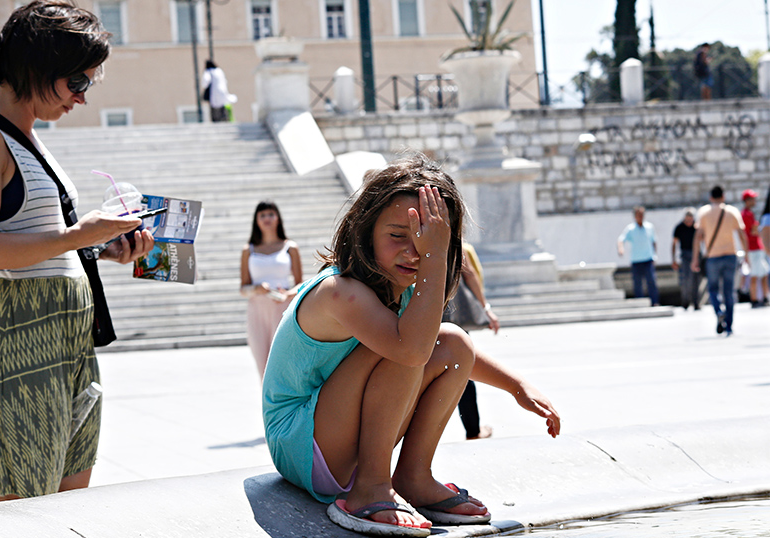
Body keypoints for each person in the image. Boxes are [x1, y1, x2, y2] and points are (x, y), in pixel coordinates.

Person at [262, 155, 560, 536]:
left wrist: (517, 385)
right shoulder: (341, 293)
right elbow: (412, 351)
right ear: (365, 231)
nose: (414, 251)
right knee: (408, 345)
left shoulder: (400, 292)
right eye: (398, 235)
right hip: (302, 444)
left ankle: (414, 476)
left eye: (428, 238)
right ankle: (368, 489)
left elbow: (443, 349)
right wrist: (434, 257)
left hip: (335, 439)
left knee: (454, 344)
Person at [0, 1, 154, 505]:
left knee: (68, 498)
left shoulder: (34, 142)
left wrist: (102, 249)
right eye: (76, 82)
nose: (81, 98)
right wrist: (77, 235)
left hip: (70, 335)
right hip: (18, 332)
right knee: (18, 509)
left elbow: (41, 243)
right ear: (37, 67)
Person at [240, 201, 303, 378]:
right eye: (262, 215)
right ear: (256, 220)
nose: (267, 218)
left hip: (282, 309)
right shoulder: (249, 250)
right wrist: (257, 289)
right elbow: (243, 288)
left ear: (278, 218)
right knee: (262, 364)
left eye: (270, 214)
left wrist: (288, 294)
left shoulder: (290, 247)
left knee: (283, 362)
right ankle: (267, 405)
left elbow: (300, 283)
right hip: (257, 311)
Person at [452, 242, 500, 440]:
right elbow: (469, 274)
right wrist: (485, 308)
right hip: (451, 319)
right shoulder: (451, 237)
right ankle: (473, 431)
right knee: (464, 373)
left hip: (420, 315)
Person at [691, 186, 749, 336]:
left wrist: (695, 258)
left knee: (713, 289)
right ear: (723, 196)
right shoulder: (732, 211)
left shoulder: (703, 212)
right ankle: (729, 325)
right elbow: (742, 234)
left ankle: (718, 311)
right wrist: (746, 255)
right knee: (729, 291)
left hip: (712, 257)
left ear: (711, 197)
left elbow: (698, 237)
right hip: (730, 255)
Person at [617, 206, 660, 306]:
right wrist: (621, 248)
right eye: (638, 215)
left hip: (648, 259)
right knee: (638, 284)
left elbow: (654, 241)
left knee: (652, 282)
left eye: (642, 215)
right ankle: (640, 303)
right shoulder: (630, 229)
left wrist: (654, 255)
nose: (640, 217)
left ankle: (654, 302)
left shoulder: (649, 227)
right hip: (636, 260)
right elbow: (621, 239)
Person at [740, 189, 770, 307]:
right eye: (753, 199)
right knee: (755, 275)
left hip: (756, 248)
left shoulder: (746, 214)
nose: (755, 201)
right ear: (747, 201)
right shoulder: (747, 214)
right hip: (753, 248)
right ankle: (754, 299)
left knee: (762, 273)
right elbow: (753, 231)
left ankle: (763, 297)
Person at [671, 207, 701, 310]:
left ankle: (696, 302)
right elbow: (674, 243)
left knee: (696, 280)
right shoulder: (679, 227)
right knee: (685, 280)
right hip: (685, 255)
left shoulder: (697, 226)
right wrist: (673, 259)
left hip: (696, 254)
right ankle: (685, 302)